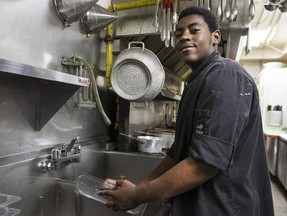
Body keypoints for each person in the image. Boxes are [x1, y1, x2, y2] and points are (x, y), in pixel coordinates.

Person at [97, 6, 274, 216]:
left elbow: (203, 164)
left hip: (224, 208)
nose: (184, 37)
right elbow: (176, 155)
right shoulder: (196, 82)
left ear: (215, 37)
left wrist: (138, 195)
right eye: (178, 33)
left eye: (194, 30)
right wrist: (138, 187)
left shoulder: (226, 76)